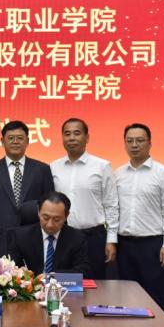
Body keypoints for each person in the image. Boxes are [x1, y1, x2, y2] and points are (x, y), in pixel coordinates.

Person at [114, 123, 164, 311]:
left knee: (154, 296)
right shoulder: (118, 174)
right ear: (124, 144)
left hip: (152, 244)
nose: (134, 145)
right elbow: (113, 209)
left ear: (150, 143)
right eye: (130, 141)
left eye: (140, 140)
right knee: (125, 296)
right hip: (124, 243)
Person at [51, 118, 118, 279]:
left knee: (95, 284)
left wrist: (111, 240)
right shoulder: (53, 167)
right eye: (67, 134)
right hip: (63, 237)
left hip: (93, 237)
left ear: (87, 137)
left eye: (77, 133)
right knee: (63, 282)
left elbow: (111, 205)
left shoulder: (102, 166)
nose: (72, 138)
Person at [0, 120, 54, 256]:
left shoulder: (42, 170)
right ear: (2, 141)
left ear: (27, 141)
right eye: (10, 138)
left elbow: (50, 207)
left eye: (20, 138)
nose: (15, 142)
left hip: (34, 239)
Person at [7, 192, 90, 276]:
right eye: (46, 218)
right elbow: (12, 268)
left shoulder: (77, 238)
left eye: (56, 219)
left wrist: (53, 277)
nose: (50, 224)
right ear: (38, 212)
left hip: (61, 283)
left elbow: (83, 270)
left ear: (66, 216)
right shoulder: (21, 236)